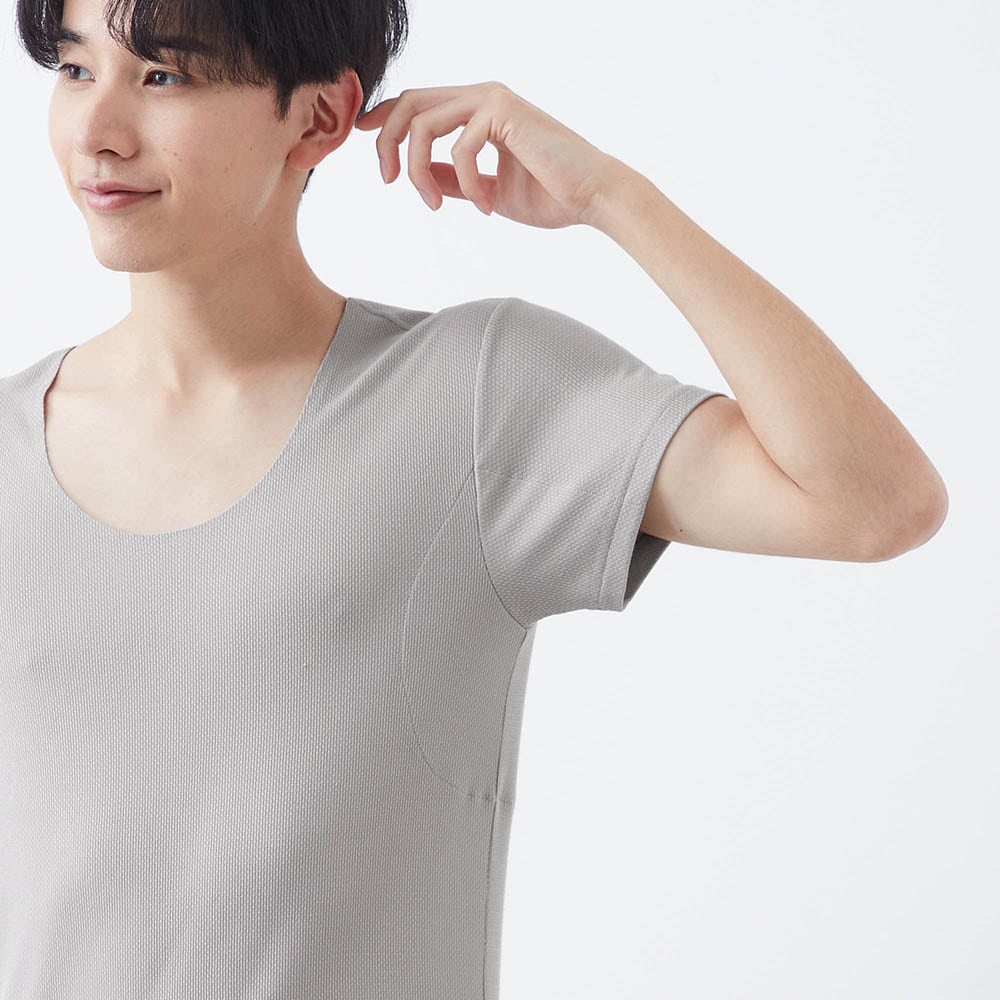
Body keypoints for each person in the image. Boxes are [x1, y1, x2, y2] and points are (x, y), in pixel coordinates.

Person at [1, 0, 948, 997]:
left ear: (319, 118)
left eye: (163, 76)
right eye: (74, 69)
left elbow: (872, 503)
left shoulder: (472, 399)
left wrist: (615, 198)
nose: (97, 131)